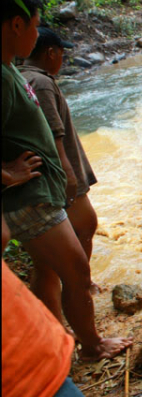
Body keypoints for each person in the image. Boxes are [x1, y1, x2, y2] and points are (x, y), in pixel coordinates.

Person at [2, 0, 133, 361]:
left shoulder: (10, 68)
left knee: (52, 270)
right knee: (76, 273)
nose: (36, 34)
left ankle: (55, 338)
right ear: (15, 25)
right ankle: (92, 346)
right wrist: (8, 174)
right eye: (34, 24)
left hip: (34, 196)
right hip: (30, 199)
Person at [19, 27, 101, 295]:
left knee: (47, 260)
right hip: (59, 175)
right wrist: (68, 172)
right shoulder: (40, 83)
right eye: (62, 54)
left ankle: (71, 289)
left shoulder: (22, 77)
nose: (62, 60)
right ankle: (78, 286)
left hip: (46, 178)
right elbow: (54, 132)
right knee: (85, 225)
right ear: (51, 52)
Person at [2, 214, 87, 397]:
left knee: (50, 267)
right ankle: (92, 345)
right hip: (30, 376)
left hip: (36, 362)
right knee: (68, 269)